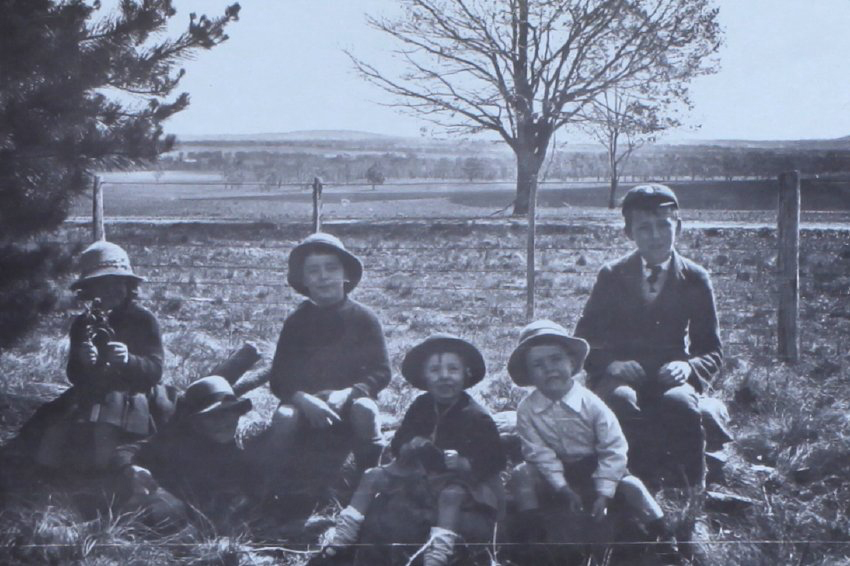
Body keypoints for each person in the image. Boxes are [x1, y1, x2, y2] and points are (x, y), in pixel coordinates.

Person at [574, 184, 724, 489]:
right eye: (644, 228)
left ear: (678, 227)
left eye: (663, 225)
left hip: (670, 374)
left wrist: (688, 367)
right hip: (620, 374)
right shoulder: (612, 275)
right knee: (620, 401)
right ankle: (628, 485)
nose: (655, 236)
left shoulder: (695, 278)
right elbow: (585, 340)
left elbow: (711, 350)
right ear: (629, 233)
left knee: (681, 404)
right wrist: (612, 364)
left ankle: (690, 491)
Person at [320, 334, 506, 566]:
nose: (444, 376)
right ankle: (344, 536)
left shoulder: (477, 416)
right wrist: (408, 447)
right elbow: (398, 443)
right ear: (424, 377)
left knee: (451, 496)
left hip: (459, 481)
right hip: (418, 474)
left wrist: (463, 463)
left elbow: (494, 460)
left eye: (453, 369)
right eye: (435, 370)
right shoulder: (421, 406)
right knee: (371, 476)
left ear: (466, 374)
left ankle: (438, 553)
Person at [508, 320, 680, 564]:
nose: (549, 369)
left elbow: (613, 448)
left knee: (633, 486)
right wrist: (562, 488)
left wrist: (604, 492)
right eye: (538, 365)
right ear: (528, 374)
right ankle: (531, 537)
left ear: (571, 362)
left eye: (556, 359)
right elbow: (538, 452)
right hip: (555, 470)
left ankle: (664, 539)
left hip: (595, 465)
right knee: (521, 474)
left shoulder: (591, 404)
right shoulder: (527, 409)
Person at [266, 233, 391, 492]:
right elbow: (279, 377)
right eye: (313, 271)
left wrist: (350, 393)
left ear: (345, 274)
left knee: (367, 409)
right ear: (304, 280)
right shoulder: (296, 322)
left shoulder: (364, 318)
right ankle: (277, 487)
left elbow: (381, 371)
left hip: (349, 406)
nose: (323, 277)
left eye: (331, 268)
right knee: (284, 417)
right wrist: (303, 400)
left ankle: (368, 480)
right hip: (307, 408)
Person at [29, 240, 165, 473]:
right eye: (102, 284)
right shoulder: (83, 323)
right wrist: (83, 362)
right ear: (89, 290)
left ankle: (108, 477)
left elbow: (155, 370)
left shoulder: (143, 320)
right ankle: (45, 478)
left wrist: (129, 360)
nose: (111, 290)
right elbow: (74, 375)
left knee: (106, 426)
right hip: (93, 390)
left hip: (134, 392)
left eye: (118, 283)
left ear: (129, 285)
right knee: (53, 427)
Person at [113, 375, 256, 531]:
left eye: (229, 412)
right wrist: (131, 469)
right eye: (212, 416)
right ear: (195, 422)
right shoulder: (178, 442)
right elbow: (126, 451)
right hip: (181, 514)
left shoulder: (247, 442)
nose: (223, 422)